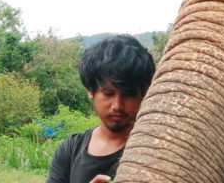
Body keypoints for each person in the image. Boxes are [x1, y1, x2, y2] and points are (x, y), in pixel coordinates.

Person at [46, 34, 155, 183]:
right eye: (108, 93)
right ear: (90, 91)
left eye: (128, 95)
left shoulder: (156, 152)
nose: (117, 105)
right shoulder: (70, 150)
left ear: (143, 93)